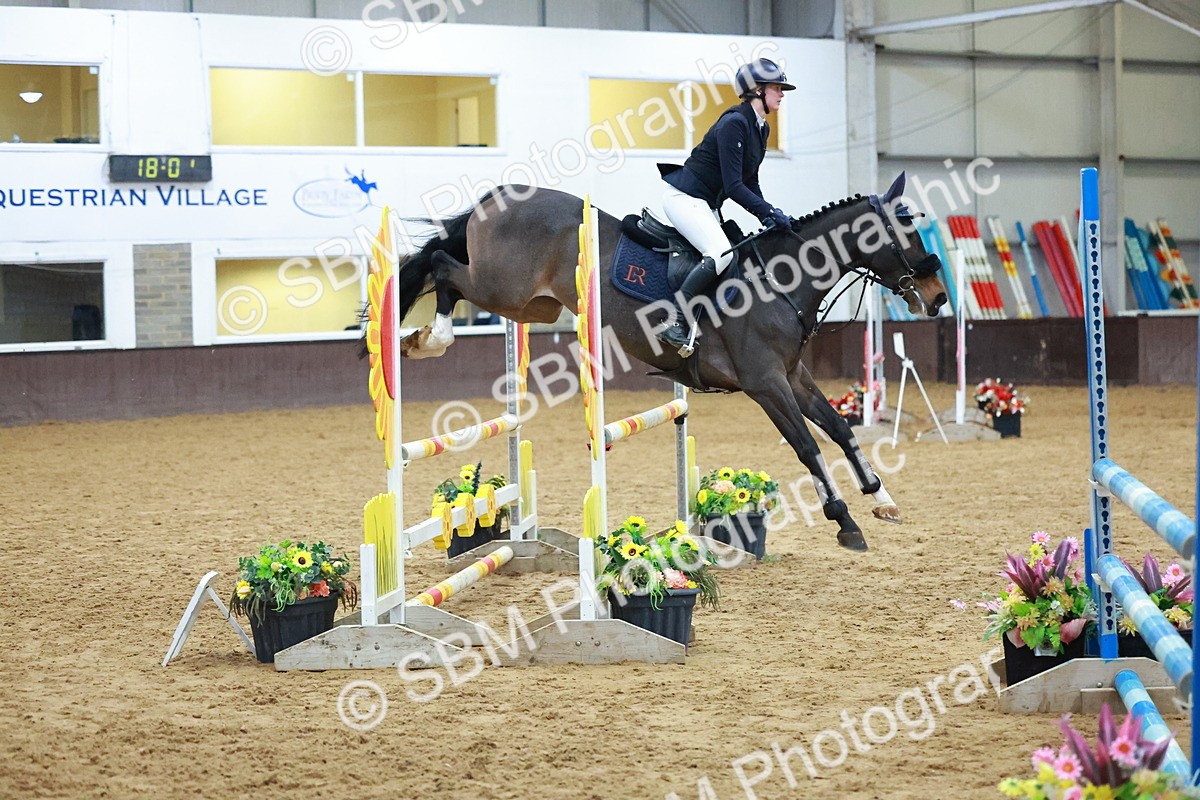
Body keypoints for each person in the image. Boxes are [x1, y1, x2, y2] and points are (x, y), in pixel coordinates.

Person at [655, 57, 796, 354]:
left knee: (738, 252)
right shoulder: (734, 123)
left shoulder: (760, 128)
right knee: (719, 253)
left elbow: (750, 181)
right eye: (777, 88)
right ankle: (675, 320)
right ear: (757, 90)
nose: (782, 93)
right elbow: (734, 187)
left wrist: (770, 213)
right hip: (685, 198)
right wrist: (767, 212)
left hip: (706, 203)